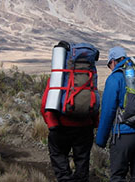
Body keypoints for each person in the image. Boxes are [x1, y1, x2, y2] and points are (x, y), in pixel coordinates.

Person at [41, 42, 99, 182]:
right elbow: (94, 98)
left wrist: (52, 124)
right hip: (85, 126)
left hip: (61, 125)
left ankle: (65, 179)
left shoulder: (60, 76)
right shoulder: (89, 75)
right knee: (82, 161)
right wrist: (94, 123)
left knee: (58, 155)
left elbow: (45, 103)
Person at [95, 46, 135, 182]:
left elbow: (108, 112)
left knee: (118, 177)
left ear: (113, 61)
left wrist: (100, 140)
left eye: (109, 65)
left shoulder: (115, 78)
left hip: (123, 136)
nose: (110, 68)